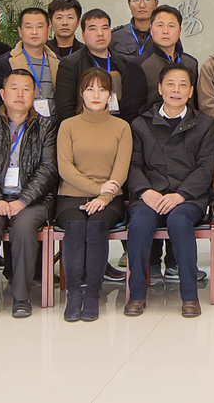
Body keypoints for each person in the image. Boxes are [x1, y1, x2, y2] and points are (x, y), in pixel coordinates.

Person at [123, 64, 214, 318]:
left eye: (183, 85)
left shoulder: (204, 124)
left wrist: (181, 195)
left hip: (187, 198)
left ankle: (190, 296)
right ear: (160, 88)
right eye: (170, 84)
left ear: (191, 92)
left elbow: (206, 167)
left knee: (179, 221)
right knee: (139, 223)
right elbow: (132, 165)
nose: (176, 90)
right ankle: (136, 294)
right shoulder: (140, 124)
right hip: (149, 196)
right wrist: (145, 191)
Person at [0, 69, 57, 319]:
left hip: (33, 200)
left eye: (26, 89)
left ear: (35, 94)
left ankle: (21, 297)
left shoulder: (46, 128)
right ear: (2, 93)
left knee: (24, 227)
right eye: (14, 88)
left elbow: (48, 169)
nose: (20, 94)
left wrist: (23, 200)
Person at [55, 69, 131, 321]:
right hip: (72, 195)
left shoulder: (122, 127)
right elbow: (65, 168)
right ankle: (74, 294)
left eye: (102, 89)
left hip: (110, 197)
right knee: (75, 226)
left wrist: (104, 197)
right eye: (90, 89)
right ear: (81, 93)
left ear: (110, 94)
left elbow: (120, 171)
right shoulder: (68, 125)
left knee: (97, 225)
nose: (96, 95)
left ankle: (92, 295)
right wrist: (96, 189)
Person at [119, 5, 199, 121]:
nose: (165, 31)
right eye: (160, 25)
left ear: (179, 31)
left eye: (171, 26)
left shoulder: (190, 62)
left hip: (187, 128)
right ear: (151, 30)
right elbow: (131, 114)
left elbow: (194, 104)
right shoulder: (138, 65)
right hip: (151, 129)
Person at [55, 9, 125, 124]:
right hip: (83, 128)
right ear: (83, 35)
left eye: (105, 28)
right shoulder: (70, 64)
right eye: (93, 29)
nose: (100, 33)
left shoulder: (124, 63)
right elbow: (64, 109)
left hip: (117, 127)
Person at [0, 7, 59, 117]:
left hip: (54, 126)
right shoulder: (4, 62)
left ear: (48, 31)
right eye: (29, 27)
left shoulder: (59, 62)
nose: (34, 32)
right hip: (18, 125)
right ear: (20, 31)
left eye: (39, 27)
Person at [112, 0, 158, 65]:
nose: (142, 5)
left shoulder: (164, 35)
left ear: (156, 3)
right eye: (136, 0)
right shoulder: (116, 36)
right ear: (129, 4)